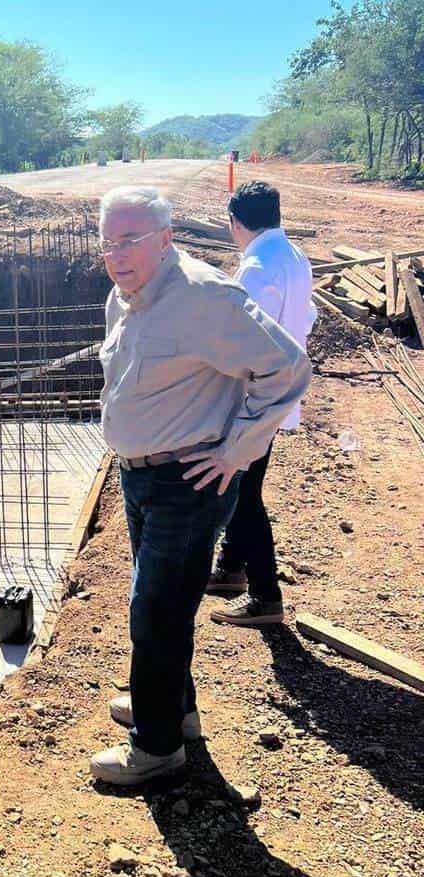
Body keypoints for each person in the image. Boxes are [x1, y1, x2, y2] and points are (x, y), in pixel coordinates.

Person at [90, 186, 311, 785]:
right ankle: (173, 709)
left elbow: (286, 369)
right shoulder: (127, 296)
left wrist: (237, 450)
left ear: (165, 238)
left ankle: (158, 748)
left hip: (186, 479)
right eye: (107, 241)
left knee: (156, 610)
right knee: (162, 603)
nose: (115, 253)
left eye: (130, 240)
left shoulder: (204, 297)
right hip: (140, 476)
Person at [207, 181, 316, 627]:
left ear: (235, 221)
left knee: (243, 494)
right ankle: (232, 568)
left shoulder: (254, 267)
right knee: (245, 485)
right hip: (280, 389)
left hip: (257, 397)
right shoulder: (293, 256)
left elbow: (240, 342)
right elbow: (306, 318)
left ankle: (265, 595)